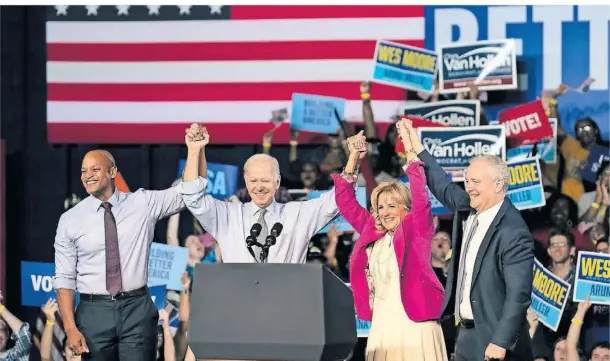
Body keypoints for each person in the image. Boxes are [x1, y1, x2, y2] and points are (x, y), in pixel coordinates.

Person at [53, 146, 200, 360]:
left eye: (95, 169)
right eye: (84, 171)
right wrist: (69, 327)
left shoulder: (142, 203)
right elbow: (64, 278)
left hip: (137, 309)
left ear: (112, 172)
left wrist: (195, 150)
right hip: (94, 312)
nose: (88, 176)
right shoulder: (70, 220)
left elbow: (188, 192)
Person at [408, 119, 535, 361]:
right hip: (465, 335)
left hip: (495, 341)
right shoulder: (468, 206)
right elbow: (443, 186)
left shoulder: (513, 231)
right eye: (467, 181)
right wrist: (417, 147)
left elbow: (518, 295)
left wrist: (500, 342)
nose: (470, 187)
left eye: (476, 182)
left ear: (498, 186)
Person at [333, 119, 446, 361]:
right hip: (383, 326)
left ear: (407, 209)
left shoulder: (417, 231)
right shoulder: (372, 231)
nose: (385, 212)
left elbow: (420, 198)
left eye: (392, 205)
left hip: (416, 326)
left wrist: (410, 150)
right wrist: (353, 158)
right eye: (380, 206)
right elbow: (345, 202)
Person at [175, 124, 344, 263]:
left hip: (286, 299)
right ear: (246, 183)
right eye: (254, 181)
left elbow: (336, 200)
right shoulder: (229, 215)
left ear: (277, 182)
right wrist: (194, 151)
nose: (259, 187)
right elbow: (193, 197)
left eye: (265, 181)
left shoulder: (295, 214)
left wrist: (352, 163)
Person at [0, 291, 32, 361]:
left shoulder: (15, 357)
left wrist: (1, 308)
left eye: (1, 330)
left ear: (7, 335)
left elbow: (24, 335)